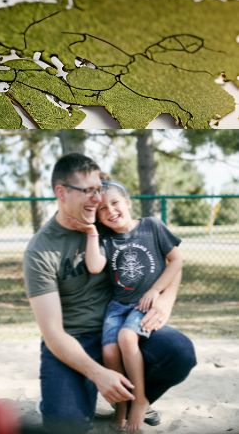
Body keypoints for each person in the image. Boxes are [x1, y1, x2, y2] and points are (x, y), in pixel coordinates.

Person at [23, 153, 196, 432]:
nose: (97, 199)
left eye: (99, 190)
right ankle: (74, 396)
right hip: (74, 340)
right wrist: (98, 373)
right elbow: (53, 334)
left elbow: (170, 259)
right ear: (61, 193)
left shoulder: (111, 225)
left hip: (120, 324)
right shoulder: (40, 250)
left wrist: (165, 301)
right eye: (88, 191)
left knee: (179, 352)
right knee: (66, 422)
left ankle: (136, 400)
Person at [80, 180, 182, 431]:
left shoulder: (152, 226)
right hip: (117, 306)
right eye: (102, 209)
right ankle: (121, 406)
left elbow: (177, 260)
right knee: (110, 352)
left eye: (115, 203)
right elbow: (94, 266)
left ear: (128, 203)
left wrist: (156, 291)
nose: (110, 211)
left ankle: (139, 401)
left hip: (144, 304)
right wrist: (92, 232)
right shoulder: (105, 239)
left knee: (127, 338)